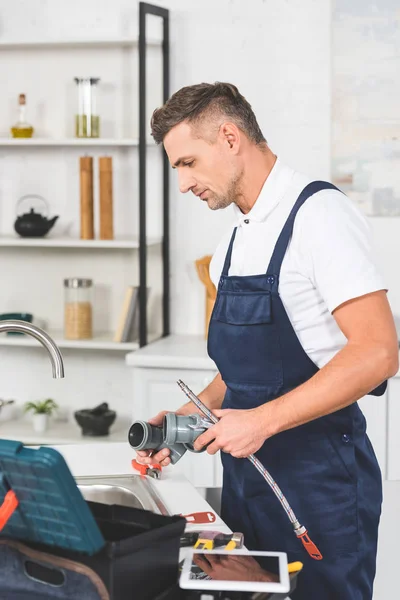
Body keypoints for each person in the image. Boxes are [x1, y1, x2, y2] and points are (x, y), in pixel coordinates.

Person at [135, 82, 399, 599]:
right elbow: (245, 370)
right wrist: (191, 422)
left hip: (318, 485)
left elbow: (379, 352)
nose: (184, 183)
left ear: (230, 137)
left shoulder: (319, 216)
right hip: (246, 485)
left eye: (188, 162)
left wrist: (262, 421)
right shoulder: (232, 239)